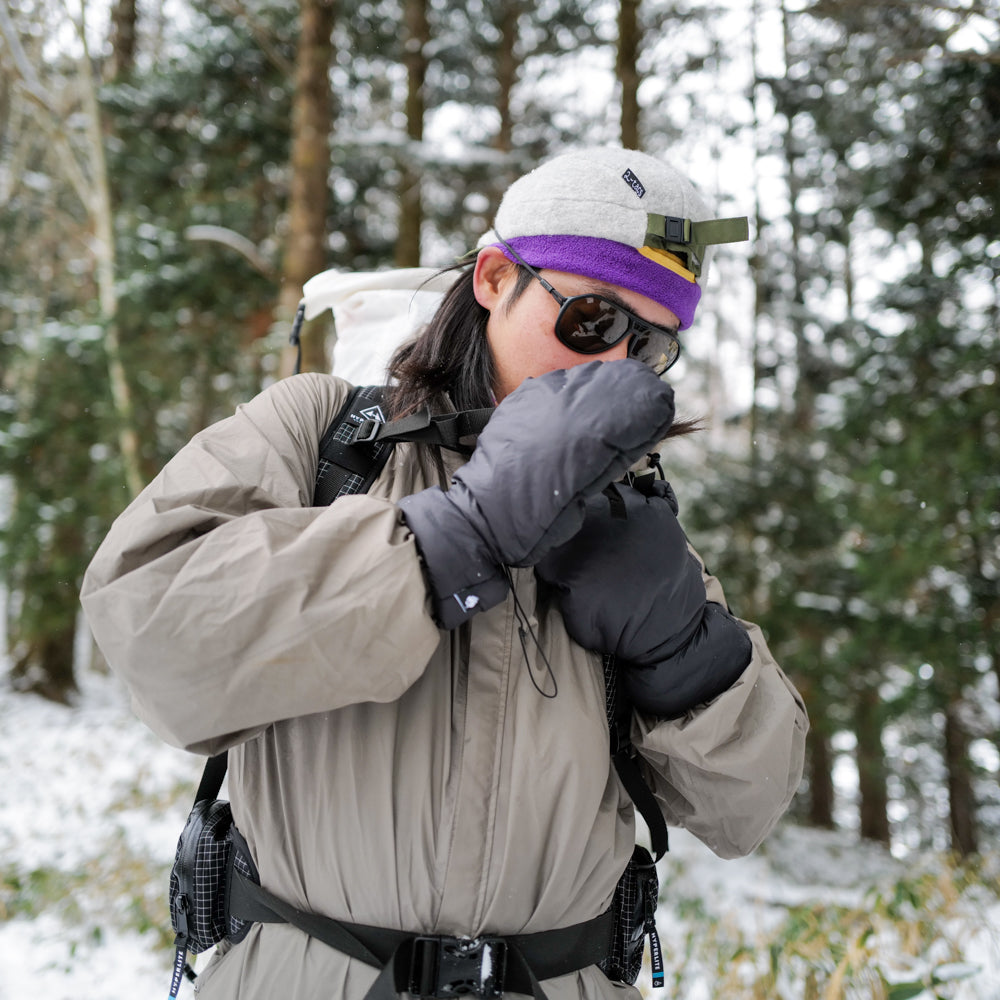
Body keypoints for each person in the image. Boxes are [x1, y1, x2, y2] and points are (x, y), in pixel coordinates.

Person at [81, 146, 808, 1000]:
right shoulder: (324, 436)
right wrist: (450, 539)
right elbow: (156, 637)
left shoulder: (635, 516)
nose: (615, 364)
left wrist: (684, 646)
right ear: (496, 277)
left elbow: (747, 808)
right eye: (592, 319)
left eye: (649, 343)